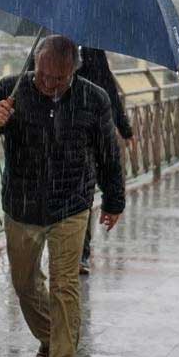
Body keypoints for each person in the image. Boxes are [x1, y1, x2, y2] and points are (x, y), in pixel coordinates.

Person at [0, 35, 125, 357]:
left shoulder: (93, 98)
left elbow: (107, 153)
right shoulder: (12, 88)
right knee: (24, 284)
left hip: (71, 204)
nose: (49, 84)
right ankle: (51, 336)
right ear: (35, 64)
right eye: (43, 75)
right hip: (22, 204)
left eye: (59, 78)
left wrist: (114, 200)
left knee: (64, 284)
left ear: (74, 71)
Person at [76, 47, 134, 276]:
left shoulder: (91, 52)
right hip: (52, 139)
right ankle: (75, 252)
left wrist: (124, 128)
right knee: (77, 195)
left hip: (85, 135)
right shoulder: (45, 49)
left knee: (80, 195)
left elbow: (108, 92)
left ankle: (79, 253)